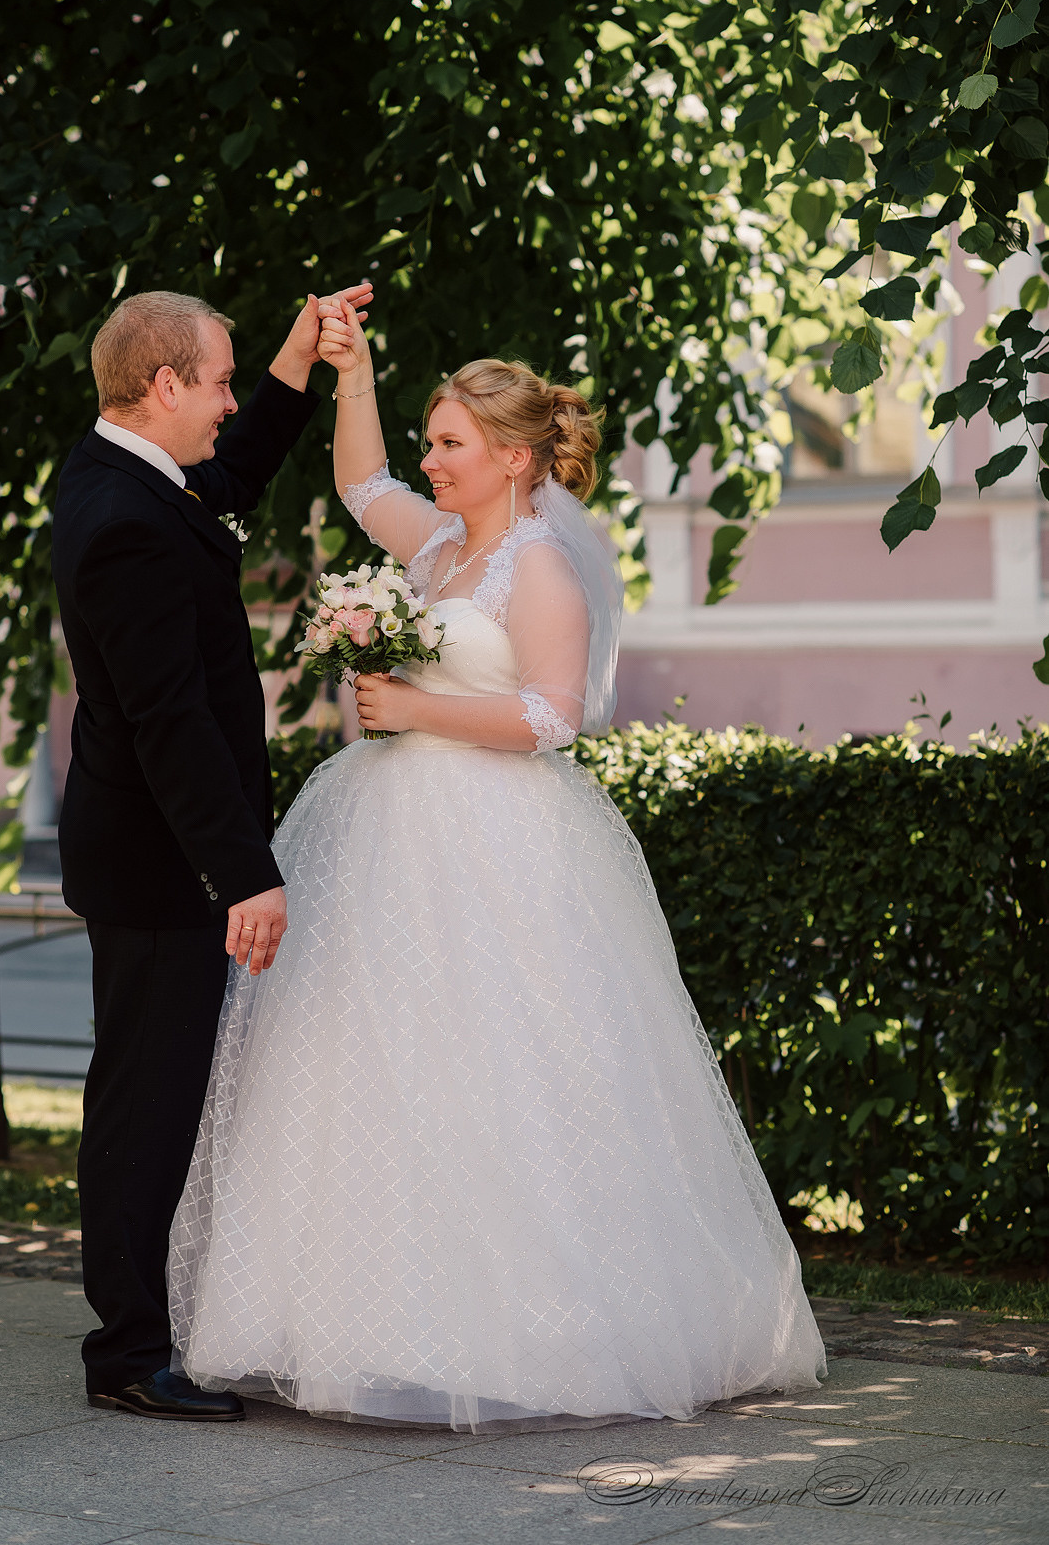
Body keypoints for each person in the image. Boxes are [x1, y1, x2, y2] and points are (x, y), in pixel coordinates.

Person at [168, 297, 827, 1433]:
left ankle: (538, 1329)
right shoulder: (431, 548)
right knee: (366, 1068)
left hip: (497, 846)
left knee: (503, 1067)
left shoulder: (538, 569)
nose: (429, 461)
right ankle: (345, 1320)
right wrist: (355, 374)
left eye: (450, 445)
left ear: (512, 460)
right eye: (431, 442)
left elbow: (550, 716)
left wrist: (413, 703)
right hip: (381, 832)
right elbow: (361, 486)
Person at [52, 281, 370, 1421]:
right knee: (145, 1102)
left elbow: (229, 487)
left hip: (149, 847)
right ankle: (130, 1357)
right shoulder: (123, 522)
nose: (232, 403)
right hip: (158, 861)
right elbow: (167, 718)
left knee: (152, 1092)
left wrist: (291, 362)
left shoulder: (128, 479)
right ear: (164, 383)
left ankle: (146, 1328)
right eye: (223, 381)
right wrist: (243, 871)